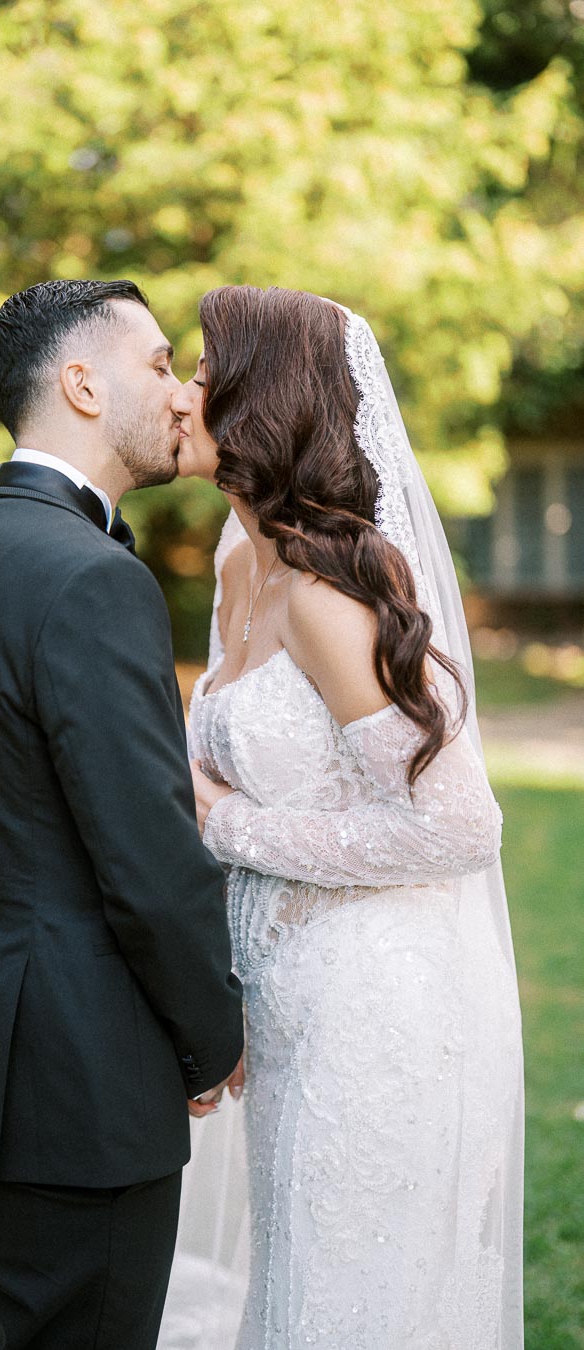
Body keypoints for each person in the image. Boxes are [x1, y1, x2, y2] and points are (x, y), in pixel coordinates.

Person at [173, 286, 524, 1349]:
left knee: (349, 1285)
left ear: (258, 402)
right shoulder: (241, 565)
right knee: (296, 1275)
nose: (183, 392)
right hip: (287, 990)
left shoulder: (330, 599)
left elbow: (460, 829)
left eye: (200, 370)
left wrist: (223, 823)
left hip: (375, 1001)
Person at [0, 278, 244, 1350]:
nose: (179, 393)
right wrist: (211, 1038)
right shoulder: (90, 577)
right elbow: (146, 860)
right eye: (157, 364)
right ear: (82, 384)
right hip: (84, 1078)